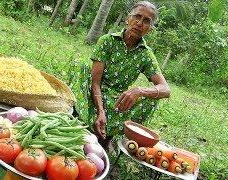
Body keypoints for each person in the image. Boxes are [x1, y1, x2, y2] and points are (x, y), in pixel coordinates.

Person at [69, 1, 170, 149]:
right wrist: (101, 111)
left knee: (153, 99)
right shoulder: (107, 41)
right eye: (137, 17)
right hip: (92, 92)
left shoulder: (146, 55)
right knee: (80, 66)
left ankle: (107, 134)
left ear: (150, 29)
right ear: (128, 19)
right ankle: (82, 120)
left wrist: (139, 91)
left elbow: (166, 89)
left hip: (117, 101)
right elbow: (95, 82)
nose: (139, 23)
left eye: (146, 21)